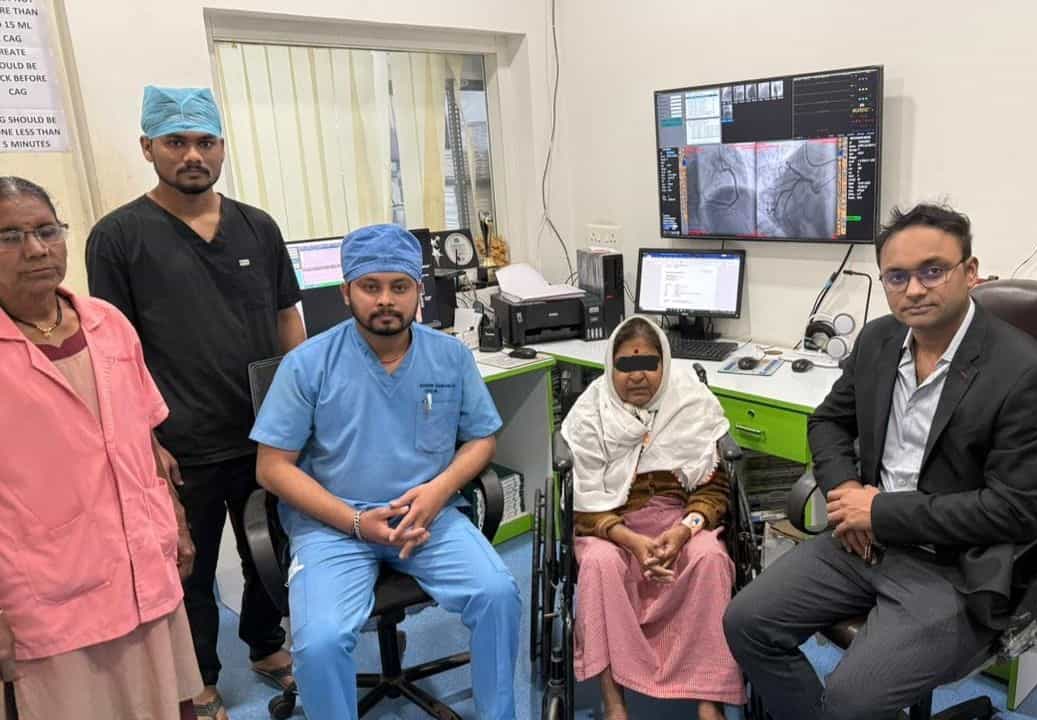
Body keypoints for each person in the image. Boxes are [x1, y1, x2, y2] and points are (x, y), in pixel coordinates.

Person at [724, 204, 1037, 719]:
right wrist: (846, 494)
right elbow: (828, 422)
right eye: (897, 276)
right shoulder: (879, 339)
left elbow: (1016, 509)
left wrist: (880, 511)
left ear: (971, 272)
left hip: (953, 564)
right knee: (746, 623)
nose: (914, 289)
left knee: (849, 701)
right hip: (861, 542)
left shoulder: (1026, 371)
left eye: (933, 270)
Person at [85, 86, 303, 718]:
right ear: (147, 147)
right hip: (182, 442)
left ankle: (265, 644)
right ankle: (199, 678)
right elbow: (112, 350)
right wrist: (145, 441)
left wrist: (306, 410)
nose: (192, 155)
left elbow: (288, 319)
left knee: (273, 553)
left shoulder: (258, 227)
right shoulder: (118, 237)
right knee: (190, 568)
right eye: (176, 142)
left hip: (267, 433)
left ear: (221, 148)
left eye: (205, 142)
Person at [250, 223, 521, 720]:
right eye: (370, 286)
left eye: (399, 286)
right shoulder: (307, 364)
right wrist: (356, 522)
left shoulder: (450, 356)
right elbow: (272, 468)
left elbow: (482, 437)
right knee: (320, 642)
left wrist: (439, 491)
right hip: (335, 525)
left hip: (428, 517)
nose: (385, 300)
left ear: (419, 290)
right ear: (346, 292)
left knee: (498, 594)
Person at [0, 176, 203, 718]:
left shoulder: (107, 324)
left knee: (162, 702)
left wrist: (175, 520)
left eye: (47, 231)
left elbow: (144, 438)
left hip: (142, 565)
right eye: (10, 237)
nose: (36, 249)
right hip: (47, 595)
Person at [563, 315, 745, 720]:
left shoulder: (690, 403)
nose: (637, 375)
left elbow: (713, 490)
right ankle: (614, 701)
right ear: (611, 366)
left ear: (665, 365)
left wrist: (684, 530)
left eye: (648, 364)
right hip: (609, 525)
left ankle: (709, 698)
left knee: (710, 558)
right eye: (626, 365)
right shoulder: (591, 414)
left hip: (677, 518)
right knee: (598, 564)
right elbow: (582, 505)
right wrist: (629, 540)